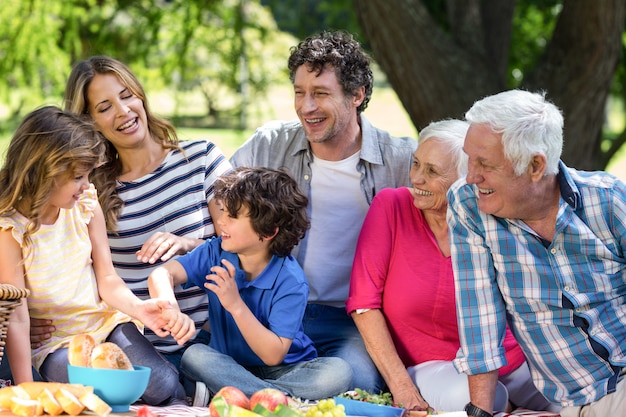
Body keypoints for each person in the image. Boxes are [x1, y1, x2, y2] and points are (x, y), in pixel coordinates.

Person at [230, 30, 416, 393]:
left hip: (353, 321)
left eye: (320, 94)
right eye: (299, 92)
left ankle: (257, 388)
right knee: (203, 356)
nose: (305, 107)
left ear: (357, 96)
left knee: (355, 383)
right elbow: (218, 201)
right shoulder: (270, 145)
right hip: (274, 309)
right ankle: (289, 388)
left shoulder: (401, 161)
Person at [347, 119, 558, 413]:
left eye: (432, 171)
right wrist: (402, 388)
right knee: (481, 399)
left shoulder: (490, 218)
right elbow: (364, 304)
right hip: (434, 368)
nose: (416, 178)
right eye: (416, 164)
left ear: (466, 179)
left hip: (509, 359)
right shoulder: (391, 207)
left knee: (583, 399)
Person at [447, 89, 626, 417]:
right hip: (577, 398)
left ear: (535, 166)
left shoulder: (610, 201)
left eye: (485, 164)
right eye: (469, 159)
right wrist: (480, 414)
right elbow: (479, 319)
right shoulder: (469, 205)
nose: (471, 176)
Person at [0, 106, 195, 405]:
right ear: (43, 172)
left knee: (162, 385)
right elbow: (18, 316)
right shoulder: (11, 230)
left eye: (87, 175)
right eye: (78, 176)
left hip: (106, 324)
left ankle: (179, 398)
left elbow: (106, 277)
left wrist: (138, 309)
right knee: (92, 394)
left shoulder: (86, 205)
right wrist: (26, 388)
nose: (86, 185)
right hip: (55, 344)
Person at [147, 167, 353, 399]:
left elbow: (273, 355)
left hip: (285, 369)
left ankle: (244, 395)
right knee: (195, 356)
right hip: (229, 364)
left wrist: (235, 305)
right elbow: (162, 274)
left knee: (338, 373)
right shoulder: (215, 252)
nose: (221, 221)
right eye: (222, 211)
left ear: (267, 232)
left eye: (232, 216)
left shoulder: (291, 281)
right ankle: (277, 399)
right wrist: (171, 308)